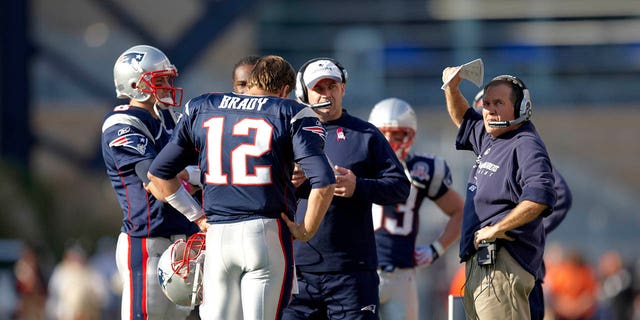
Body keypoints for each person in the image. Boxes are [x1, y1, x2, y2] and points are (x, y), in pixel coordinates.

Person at [146, 55, 337, 320]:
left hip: (218, 235)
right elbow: (325, 182)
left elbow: (157, 174)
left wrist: (197, 217)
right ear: (284, 90)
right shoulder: (290, 112)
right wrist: (305, 230)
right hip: (265, 234)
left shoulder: (202, 105)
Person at [283, 58, 411, 320]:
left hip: (352, 271)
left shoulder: (365, 134)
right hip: (298, 270)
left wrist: (358, 186)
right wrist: (287, 180)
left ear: (343, 89)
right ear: (303, 92)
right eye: (319, 88)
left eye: (333, 86)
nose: (327, 94)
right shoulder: (287, 133)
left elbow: (400, 187)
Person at [442, 67, 557, 319]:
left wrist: (497, 228)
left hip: (502, 266)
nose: (490, 110)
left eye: (499, 103)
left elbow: (539, 197)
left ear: (520, 108)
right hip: (483, 266)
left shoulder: (525, 143)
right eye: (487, 104)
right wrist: (452, 88)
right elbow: (464, 118)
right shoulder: (493, 137)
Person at [101, 44, 200, 320]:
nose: (169, 85)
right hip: (147, 240)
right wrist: (184, 178)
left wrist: (187, 174)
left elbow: (201, 168)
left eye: (169, 78)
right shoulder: (121, 122)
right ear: (135, 84)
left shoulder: (170, 118)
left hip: (181, 239)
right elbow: (155, 179)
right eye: (160, 80)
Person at [472, 88, 573, 320]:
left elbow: (560, 193)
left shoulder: (520, 147)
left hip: (518, 266)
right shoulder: (490, 151)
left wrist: (521, 230)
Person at [367, 97, 464, 320]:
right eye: (384, 133)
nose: (390, 141)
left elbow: (460, 211)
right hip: (361, 270)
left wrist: (436, 249)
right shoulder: (358, 164)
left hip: (402, 273)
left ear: (411, 135)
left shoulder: (421, 169)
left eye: (398, 134)